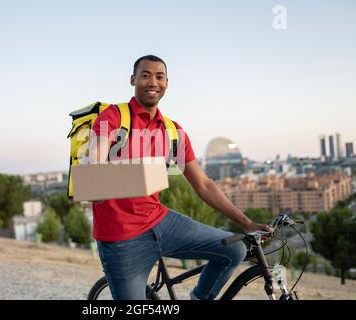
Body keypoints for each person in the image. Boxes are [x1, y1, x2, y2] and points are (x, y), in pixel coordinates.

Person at [88, 55, 272, 300]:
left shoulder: (173, 131)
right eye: (145, 75)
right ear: (133, 79)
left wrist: (246, 223)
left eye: (159, 76)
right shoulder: (113, 118)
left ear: (167, 83)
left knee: (235, 248)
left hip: (159, 221)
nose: (152, 81)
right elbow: (95, 163)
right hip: (121, 238)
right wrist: (97, 180)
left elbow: (204, 185)